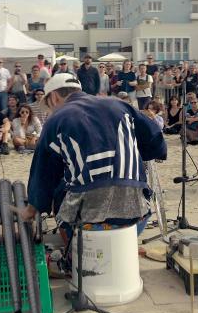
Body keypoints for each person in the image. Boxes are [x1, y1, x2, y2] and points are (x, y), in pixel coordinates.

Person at [19, 73, 167, 243]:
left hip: (86, 219)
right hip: (135, 214)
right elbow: (158, 144)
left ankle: (73, 250)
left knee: (60, 190)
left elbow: (43, 175)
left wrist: (33, 208)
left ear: (53, 96)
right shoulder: (118, 104)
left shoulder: (56, 120)